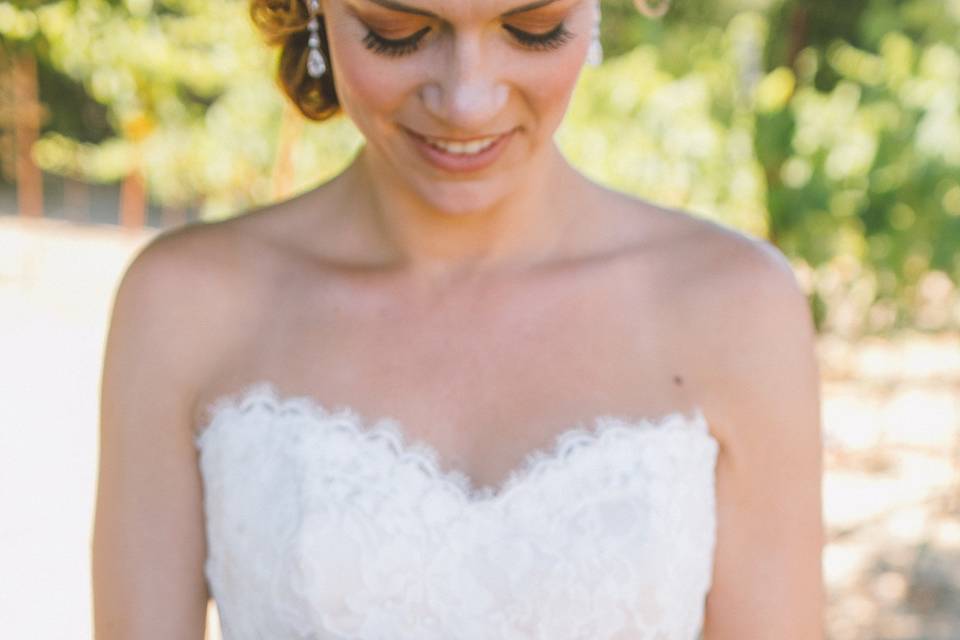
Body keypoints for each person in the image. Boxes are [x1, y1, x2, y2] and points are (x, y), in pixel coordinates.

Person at [92, 0, 825, 637]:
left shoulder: (737, 308)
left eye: (533, 28)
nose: (468, 100)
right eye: (397, 31)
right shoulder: (184, 307)